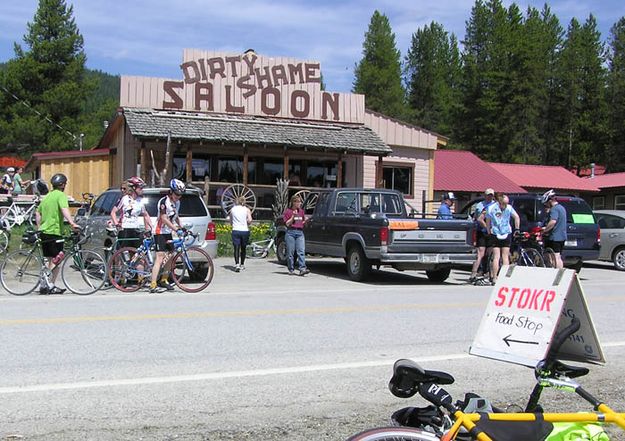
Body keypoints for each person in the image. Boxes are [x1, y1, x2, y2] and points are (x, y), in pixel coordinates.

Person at [35, 173, 81, 294]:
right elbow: (64, 209)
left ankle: (46, 283)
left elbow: (37, 213)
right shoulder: (61, 195)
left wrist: (39, 227)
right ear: (62, 185)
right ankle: (49, 284)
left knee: (50, 260)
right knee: (57, 259)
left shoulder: (48, 196)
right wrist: (72, 223)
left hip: (44, 232)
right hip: (54, 232)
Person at [149, 179, 185, 293]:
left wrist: (182, 227)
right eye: (177, 194)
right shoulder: (164, 202)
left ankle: (164, 280)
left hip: (168, 232)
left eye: (180, 195)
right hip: (159, 231)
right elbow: (164, 219)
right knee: (160, 257)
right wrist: (176, 229)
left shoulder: (177, 203)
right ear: (171, 191)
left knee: (171, 255)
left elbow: (176, 216)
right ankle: (153, 284)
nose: (178, 196)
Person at [485, 194, 520, 285]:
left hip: (495, 233)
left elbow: (488, 220)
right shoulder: (509, 208)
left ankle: (495, 277)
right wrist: (517, 228)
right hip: (506, 233)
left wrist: (488, 230)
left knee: (496, 257)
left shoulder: (491, 208)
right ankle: (505, 278)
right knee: (505, 256)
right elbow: (516, 217)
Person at [110, 176, 152, 249]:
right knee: (121, 253)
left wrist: (150, 228)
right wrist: (116, 224)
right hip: (125, 229)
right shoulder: (124, 199)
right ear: (134, 188)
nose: (142, 190)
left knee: (137, 254)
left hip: (135, 229)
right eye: (140, 188)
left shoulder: (140, 200)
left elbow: (145, 215)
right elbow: (113, 212)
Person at [469, 188, 496, 283]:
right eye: (488, 195)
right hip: (482, 232)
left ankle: (491, 275)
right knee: (480, 253)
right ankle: (473, 274)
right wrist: (487, 228)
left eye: (491, 195)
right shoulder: (480, 205)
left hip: (492, 233)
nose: (490, 196)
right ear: (485, 195)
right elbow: (478, 219)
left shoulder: (495, 205)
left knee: (491, 254)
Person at [283, 195, 310, 276]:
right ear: (293, 202)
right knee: (290, 253)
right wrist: (293, 217)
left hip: (300, 232)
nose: (299, 203)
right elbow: (287, 224)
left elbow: (301, 223)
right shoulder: (288, 211)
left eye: (300, 202)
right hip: (290, 232)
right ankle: (291, 269)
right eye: (298, 202)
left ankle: (302, 268)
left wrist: (306, 221)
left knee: (301, 251)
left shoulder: (301, 211)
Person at [541, 189, 567, 269]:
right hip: (562, 236)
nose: (546, 205)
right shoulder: (561, 208)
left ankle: (556, 274)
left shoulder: (554, 209)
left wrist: (545, 231)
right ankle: (561, 273)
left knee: (555, 257)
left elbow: (553, 222)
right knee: (558, 256)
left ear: (549, 200)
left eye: (546, 203)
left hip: (554, 237)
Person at [228, 195, 252, 272]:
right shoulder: (247, 209)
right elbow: (250, 220)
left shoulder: (233, 209)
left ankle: (237, 264)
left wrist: (233, 224)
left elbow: (231, 221)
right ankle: (242, 264)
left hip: (236, 230)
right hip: (244, 230)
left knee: (236, 247)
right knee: (243, 248)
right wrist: (247, 223)